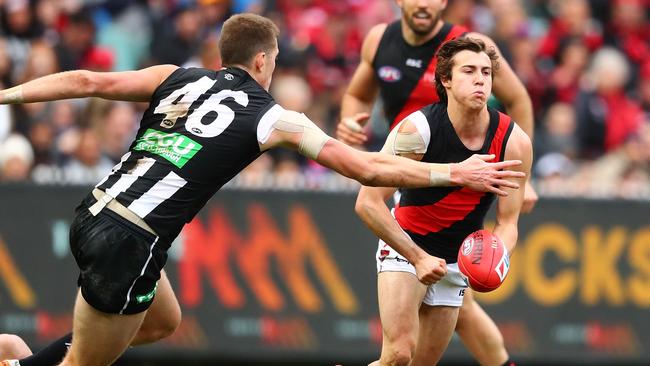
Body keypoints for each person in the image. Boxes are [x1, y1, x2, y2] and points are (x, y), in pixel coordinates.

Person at [0, 13, 525, 366]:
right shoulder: (274, 118)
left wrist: (7, 95)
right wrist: (455, 174)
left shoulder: (177, 76)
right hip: (133, 241)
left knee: (164, 320)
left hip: (94, 212)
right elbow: (366, 170)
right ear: (263, 61)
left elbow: (89, 82)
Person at [336, 1, 535, 365]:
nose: (480, 79)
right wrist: (417, 256)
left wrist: (498, 257)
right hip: (407, 246)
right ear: (445, 80)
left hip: (455, 261)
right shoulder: (417, 130)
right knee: (398, 355)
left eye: (486, 72)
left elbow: (508, 223)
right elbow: (366, 202)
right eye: (469, 71)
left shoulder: (514, 141)